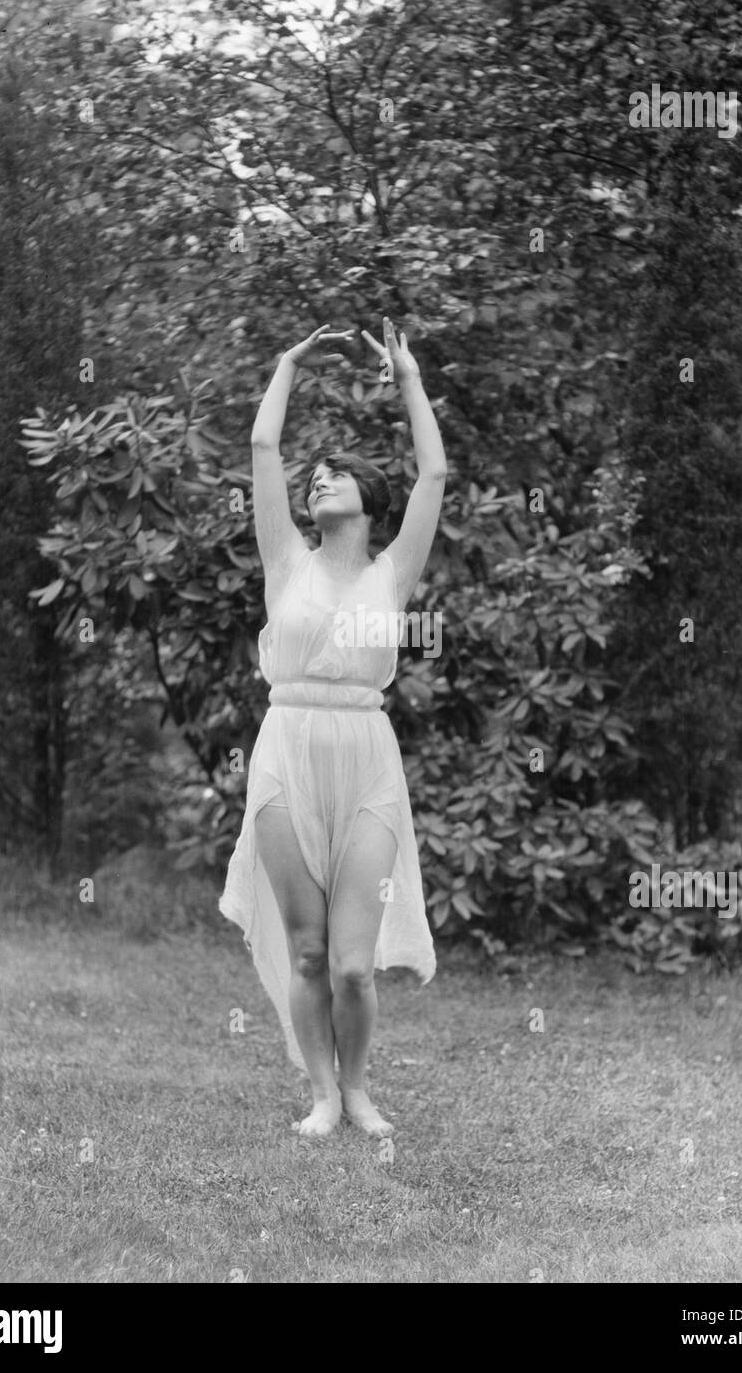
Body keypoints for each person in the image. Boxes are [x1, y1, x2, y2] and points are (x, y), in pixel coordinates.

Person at [219, 317, 447, 1137]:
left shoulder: (393, 571)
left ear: (367, 501)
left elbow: (434, 474)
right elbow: (260, 450)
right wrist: (287, 362)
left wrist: (409, 377)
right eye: (312, 477)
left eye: (334, 476)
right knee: (308, 951)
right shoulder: (285, 558)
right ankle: (321, 1094)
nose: (316, 482)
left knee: (353, 965)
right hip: (286, 746)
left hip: (364, 754)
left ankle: (357, 1089)